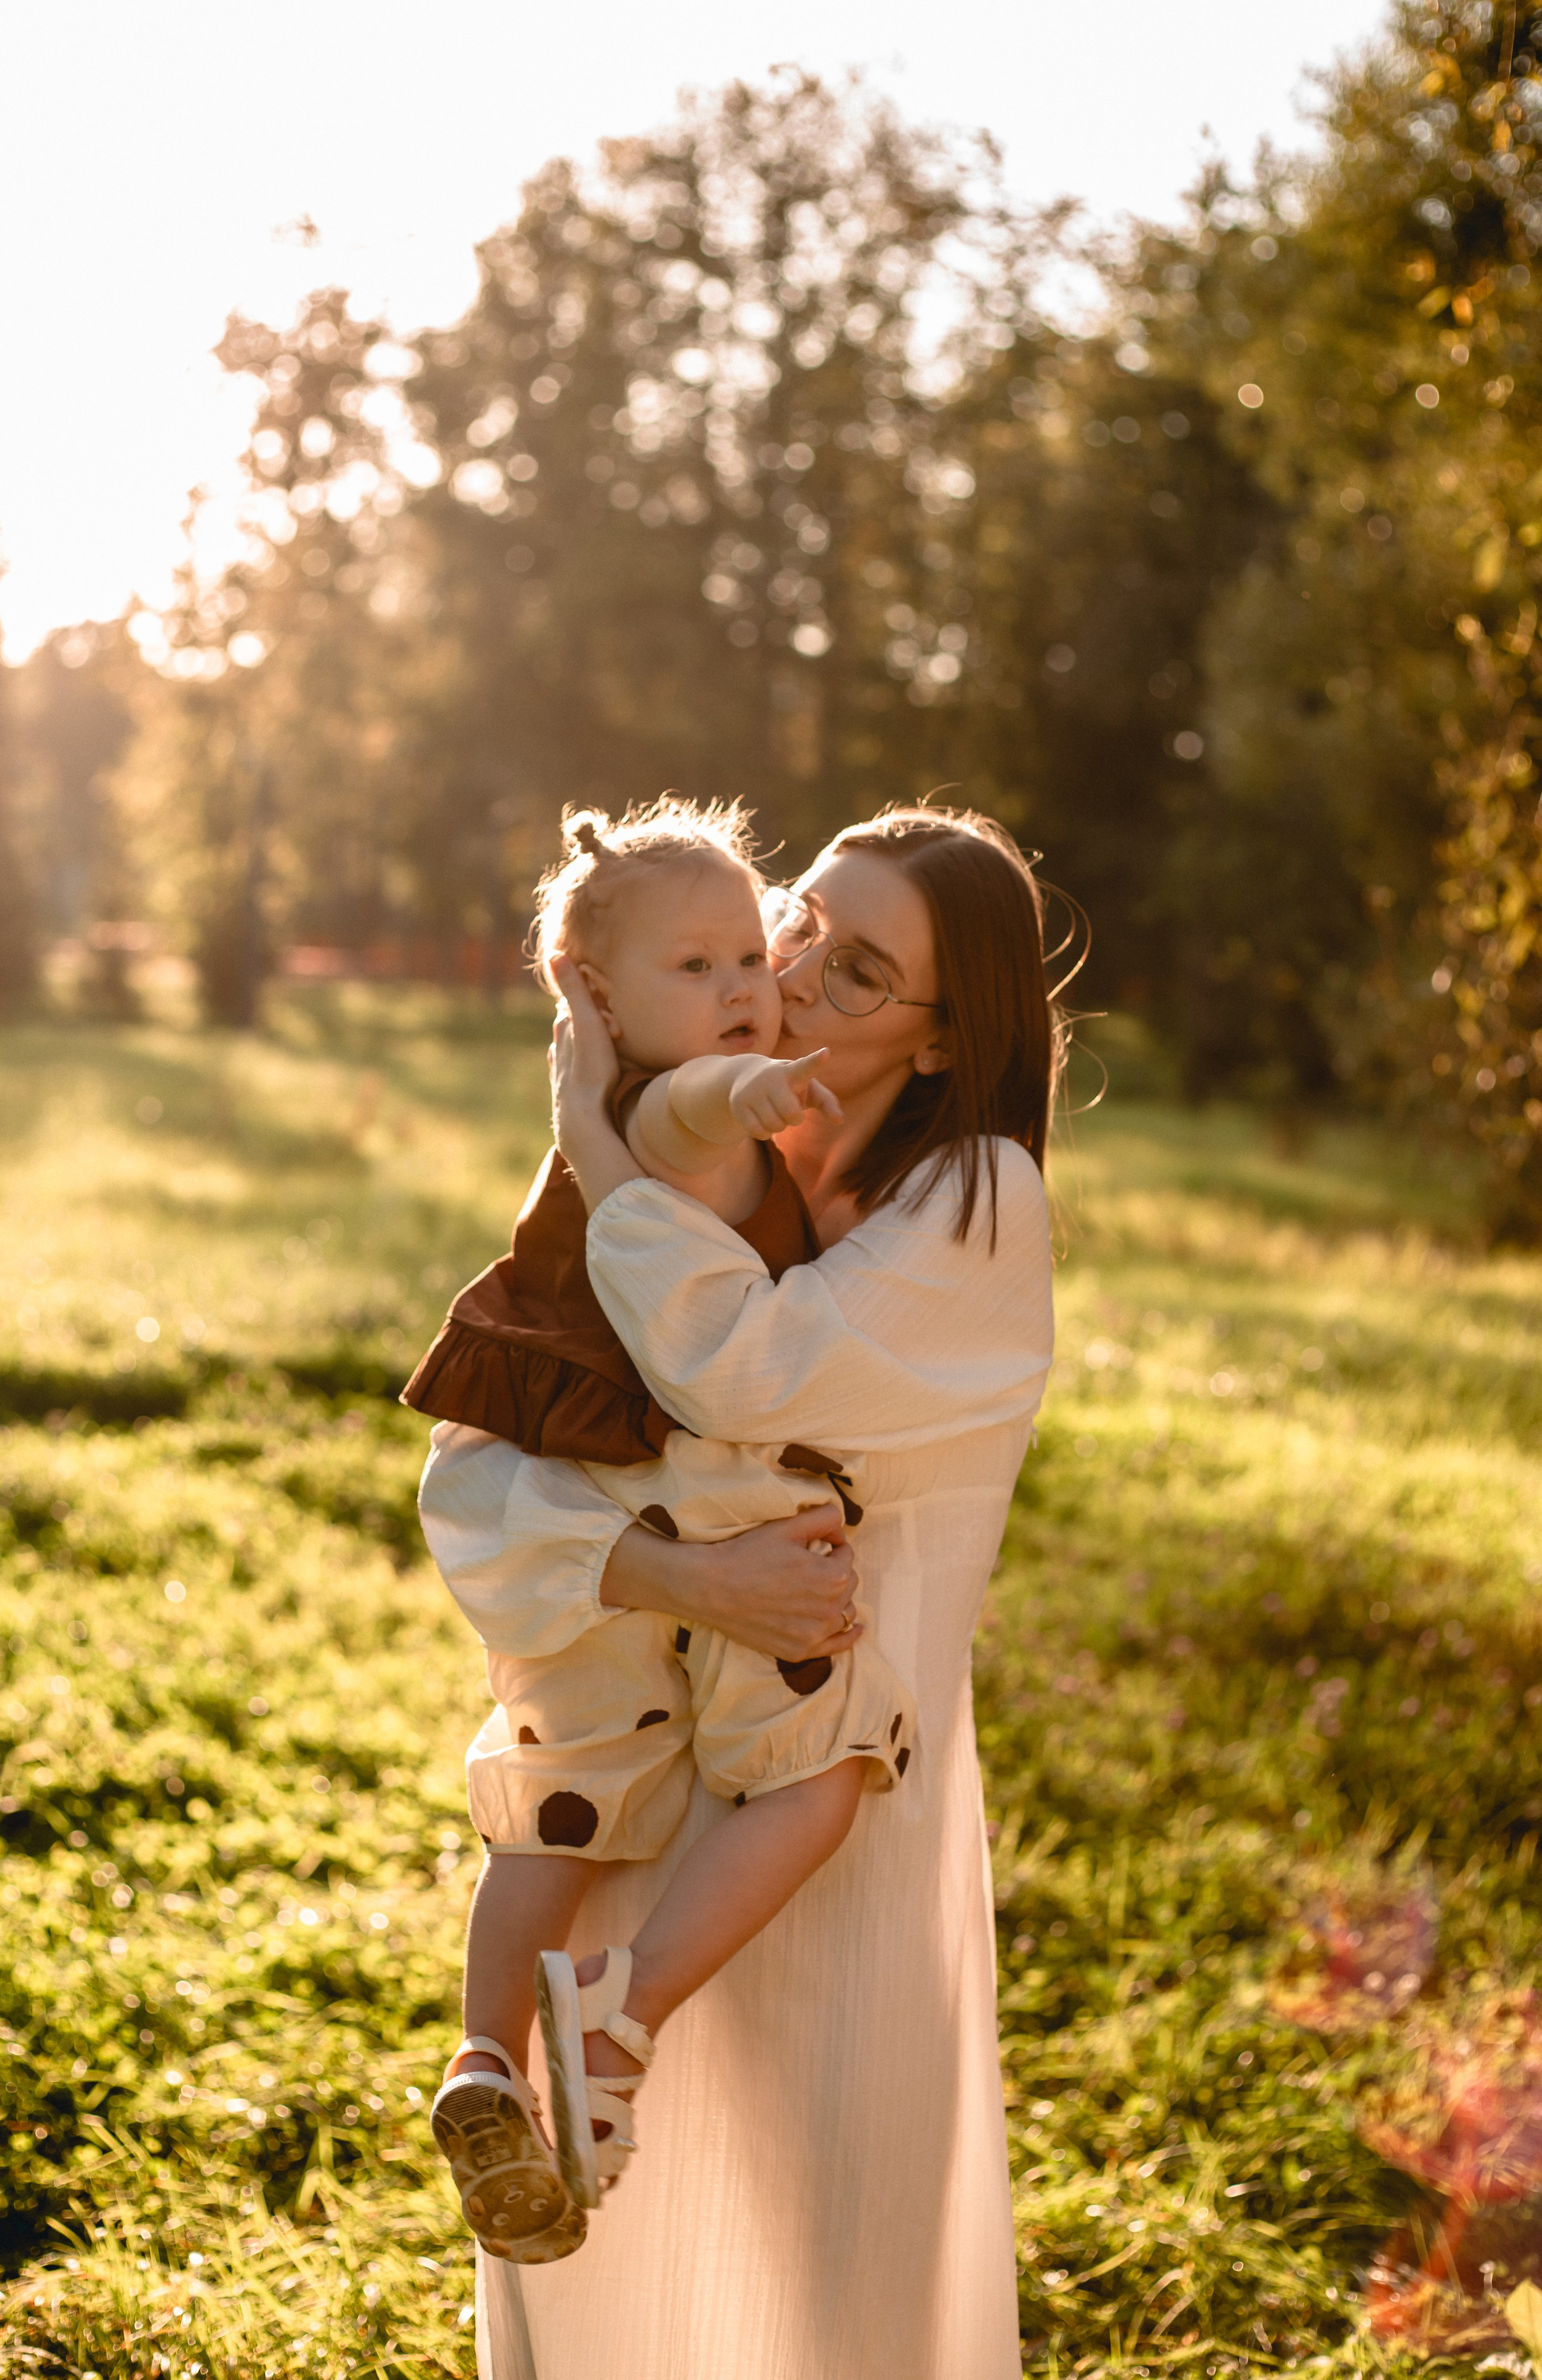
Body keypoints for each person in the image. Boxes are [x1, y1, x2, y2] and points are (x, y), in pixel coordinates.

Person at [418, 803, 1060, 2380]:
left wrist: (598, 1154)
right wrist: (677, 1575)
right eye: (792, 929)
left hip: (833, 1814)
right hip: (637, 1803)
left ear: (939, 1034)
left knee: (822, 2296)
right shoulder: (688, 1163)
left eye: (857, 969)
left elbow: (734, 1373)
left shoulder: (972, 1204)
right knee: (605, 2281)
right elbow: (477, 1477)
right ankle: (517, 2057)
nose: (787, 976)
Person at [404, 797, 912, 2262]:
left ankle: (484, 2059)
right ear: (597, 996)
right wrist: (747, 1098)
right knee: (819, 1764)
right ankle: (616, 2017)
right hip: (686, 1484)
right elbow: (683, 1116)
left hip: (576, 1487)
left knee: (562, 1790)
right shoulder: (667, 1102)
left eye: (747, 954)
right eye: (694, 968)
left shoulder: (619, 1107)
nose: (742, 989)